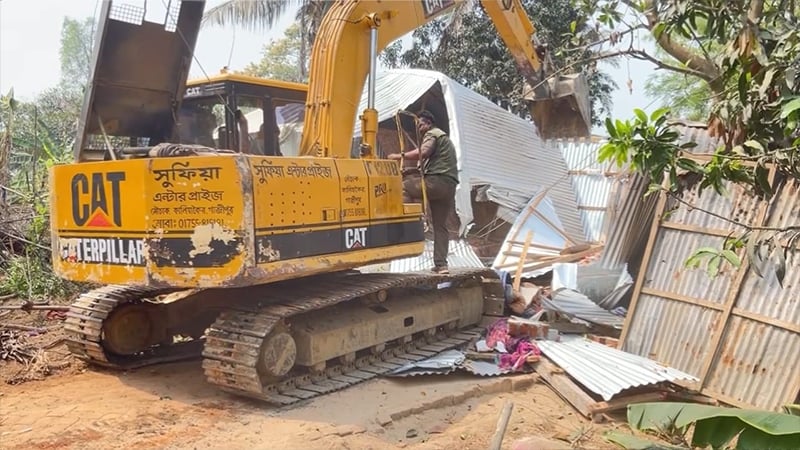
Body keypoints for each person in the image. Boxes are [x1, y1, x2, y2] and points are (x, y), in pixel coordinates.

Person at [388, 110, 459, 275]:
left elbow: (424, 151)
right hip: (448, 186)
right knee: (440, 226)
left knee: (404, 187)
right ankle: (441, 265)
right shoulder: (443, 139)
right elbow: (431, 163)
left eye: (420, 125)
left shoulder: (432, 134)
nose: (419, 128)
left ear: (428, 123)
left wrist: (399, 156)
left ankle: (406, 227)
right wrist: (410, 170)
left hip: (436, 182)